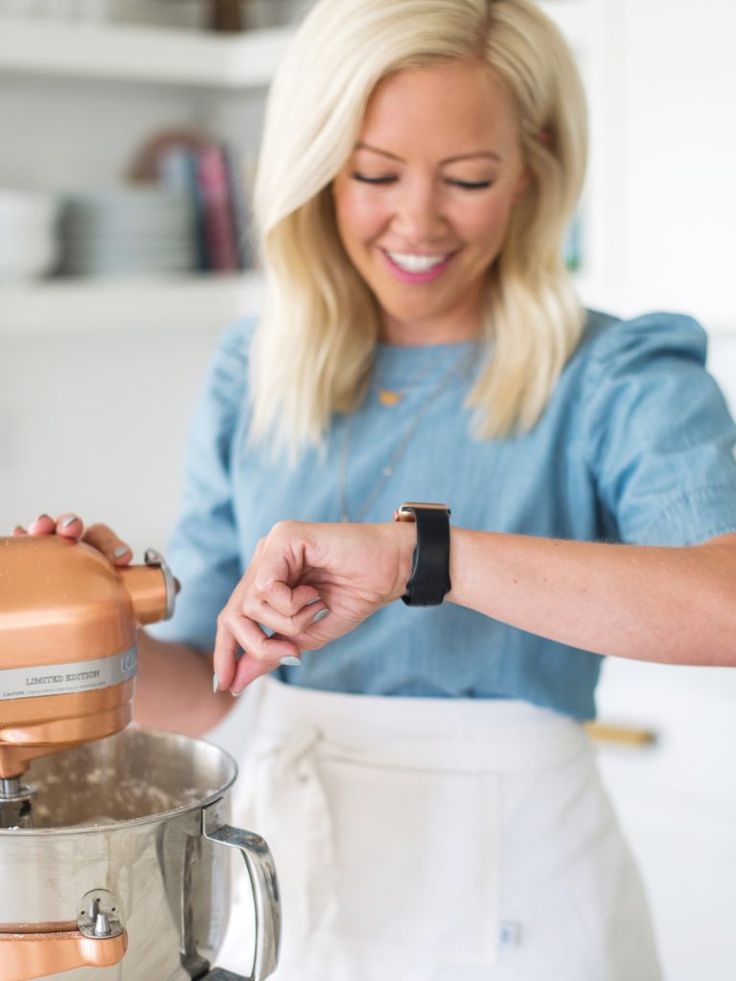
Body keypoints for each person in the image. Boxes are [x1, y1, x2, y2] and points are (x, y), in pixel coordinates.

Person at [16, 0, 736, 978]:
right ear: (318, 169)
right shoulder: (254, 370)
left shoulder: (616, 372)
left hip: (523, 906)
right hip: (288, 893)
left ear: (533, 167)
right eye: (373, 175)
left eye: (468, 178)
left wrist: (417, 556)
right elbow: (211, 690)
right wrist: (96, 624)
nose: (417, 221)